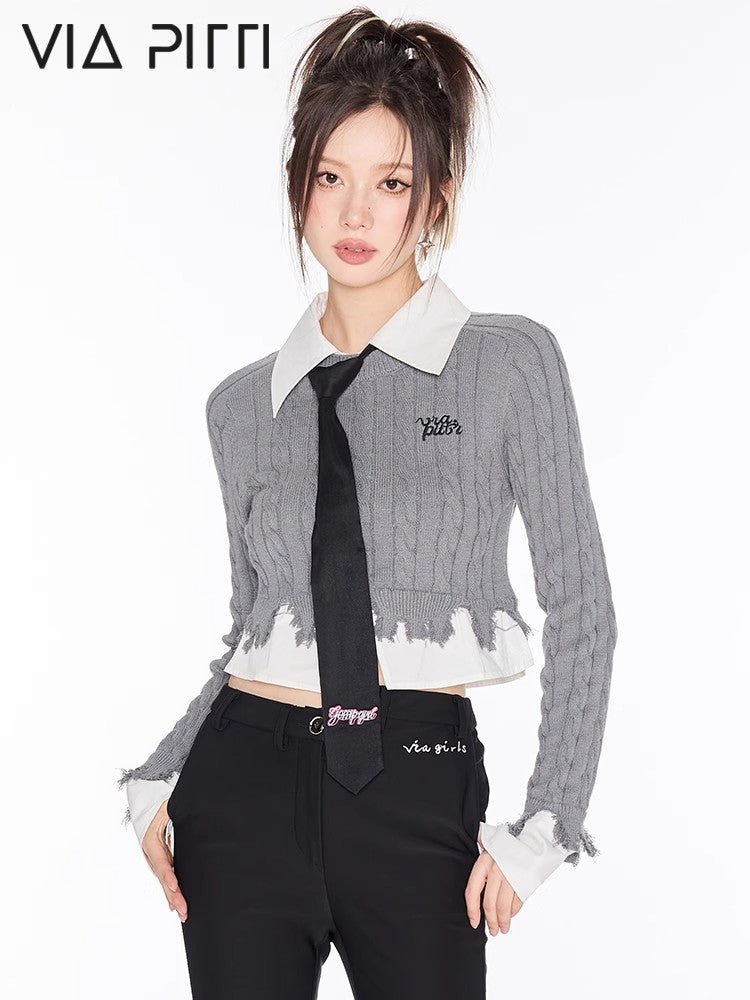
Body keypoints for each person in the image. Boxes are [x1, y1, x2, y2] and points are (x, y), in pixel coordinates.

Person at [117, 8, 617, 998]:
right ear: (298, 186)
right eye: (329, 178)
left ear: (435, 197)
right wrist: (158, 777)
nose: (355, 216)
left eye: (390, 183)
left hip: (417, 779)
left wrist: (549, 823)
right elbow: (256, 626)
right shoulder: (241, 407)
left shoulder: (507, 365)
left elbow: (582, 606)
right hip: (239, 794)